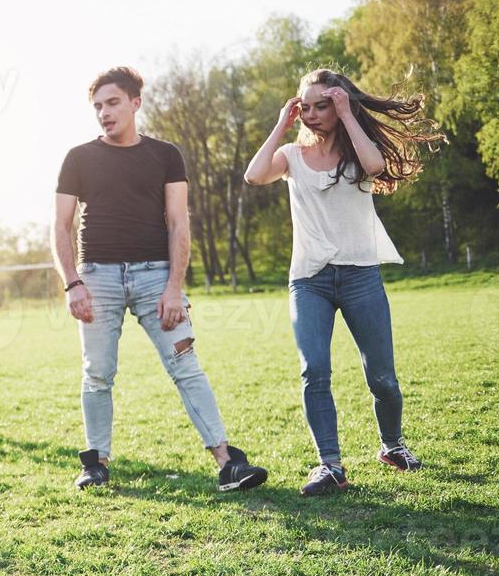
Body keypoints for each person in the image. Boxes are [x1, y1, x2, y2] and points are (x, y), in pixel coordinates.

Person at [53, 66, 268, 492]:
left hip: (156, 277)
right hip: (97, 277)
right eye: (97, 106)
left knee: (186, 366)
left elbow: (177, 223)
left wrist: (174, 288)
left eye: (112, 103)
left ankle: (228, 463)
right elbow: (60, 226)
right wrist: (73, 283)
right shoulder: (78, 157)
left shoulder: (165, 155)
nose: (104, 113)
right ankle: (96, 462)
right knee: (97, 373)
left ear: (135, 102)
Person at [244, 69, 443, 496]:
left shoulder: (358, 153)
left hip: (360, 276)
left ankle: (392, 445)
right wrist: (281, 122)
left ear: (337, 106)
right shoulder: (291, 156)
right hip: (309, 280)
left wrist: (348, 113)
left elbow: (376, 165)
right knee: (313, 370)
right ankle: (330, 466)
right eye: (306, 107)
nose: (312, 115)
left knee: (382, 377)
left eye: (322, 106)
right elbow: (254, 175)